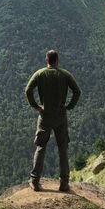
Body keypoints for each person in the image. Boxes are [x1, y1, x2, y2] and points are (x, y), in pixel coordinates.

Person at [25, 49, 81, 192]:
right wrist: (69, 106)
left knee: (41, 147)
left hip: (45, 116)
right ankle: (64, 183)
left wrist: (36, 106)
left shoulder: (40, 74)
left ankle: (35, 181)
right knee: (63, 149)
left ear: (47, 60)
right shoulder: (65, 74)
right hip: (61, 116)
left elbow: (28, 90)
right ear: (57, 60)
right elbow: (77, 91)